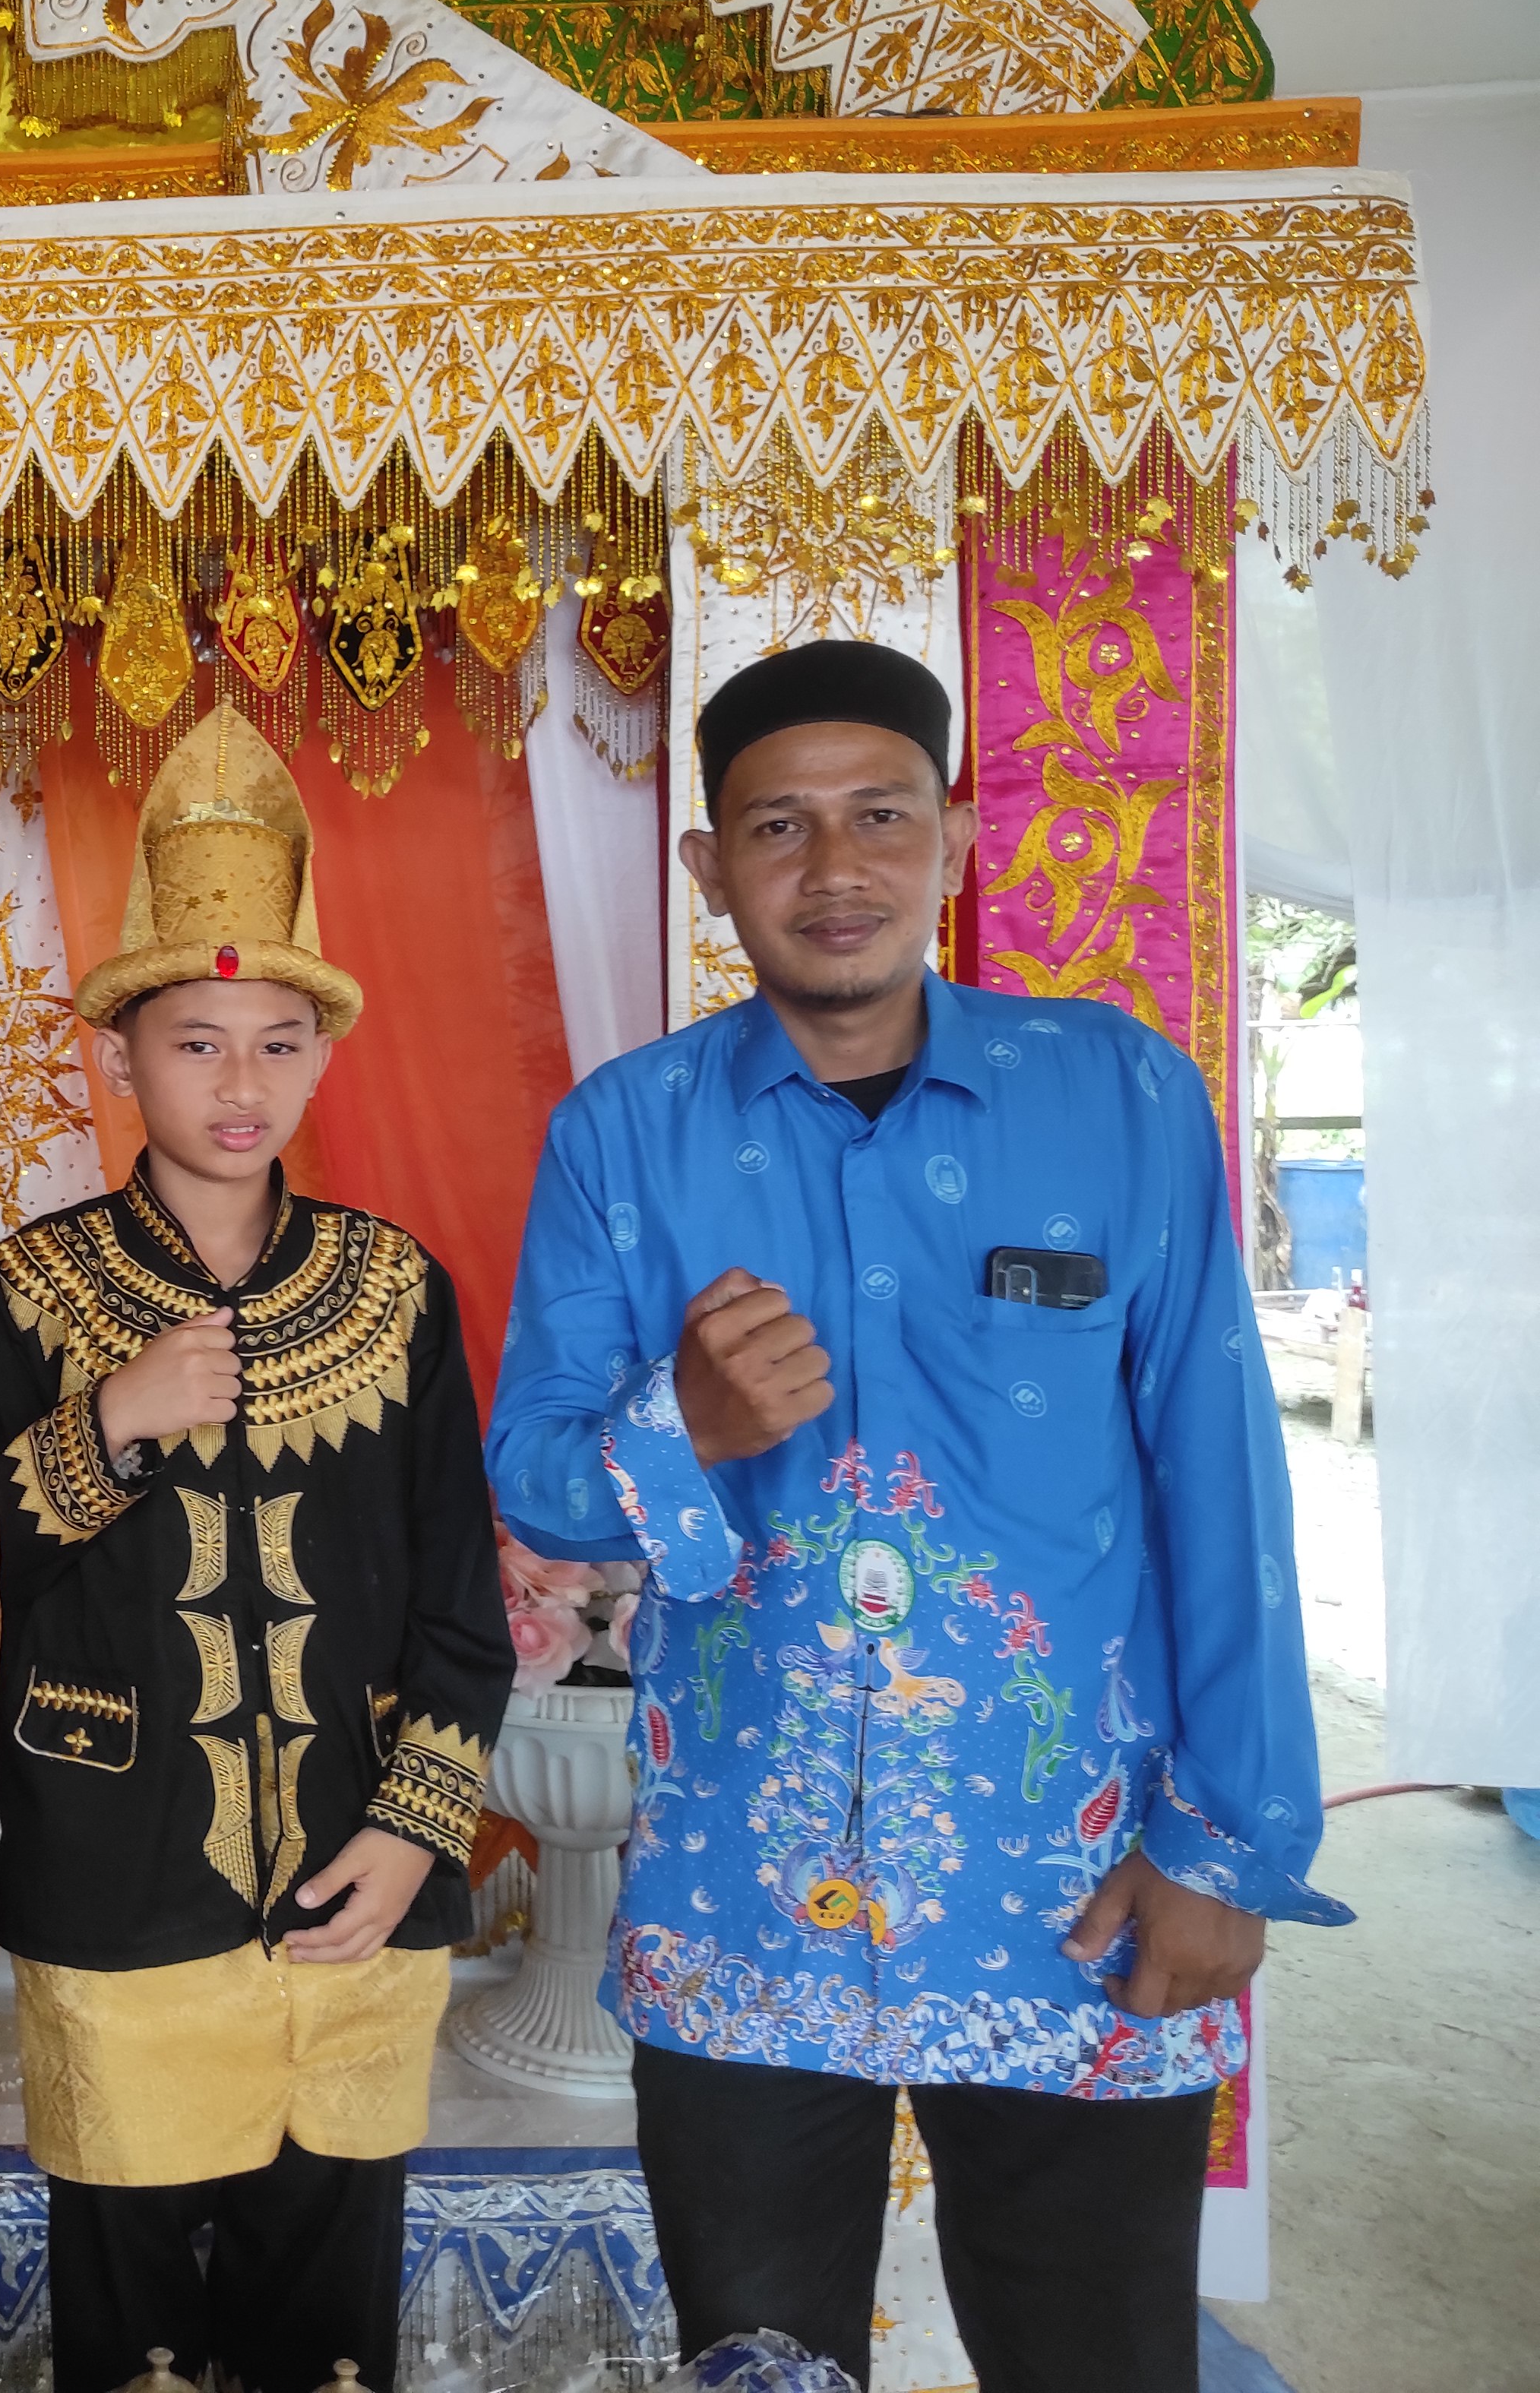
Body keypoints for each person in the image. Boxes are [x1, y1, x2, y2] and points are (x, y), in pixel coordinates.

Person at [487, 644, 1348, 2393]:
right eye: (776, 826)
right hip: (740, 1900)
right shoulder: (622, 1136)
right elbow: (535, 1478)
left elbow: (1220, 1476)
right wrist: (684, 1421)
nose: (833, 866)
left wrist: (1226, 1844)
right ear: (707, 865)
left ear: (953, 835)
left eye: (879, 815)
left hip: (1072, 1884)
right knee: (760, 2363)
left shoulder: (1115, 1093)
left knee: (1096, 2358)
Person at [0, 706, 513, 2393]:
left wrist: (418, 1834)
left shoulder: (395, 1287)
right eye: (197, 1042)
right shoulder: (33, 1285)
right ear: (122, 1056)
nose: (240, 1082)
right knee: (127, 2325)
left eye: (279, 1042)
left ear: (323, 1060)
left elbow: (459, 1601)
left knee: (326, 2330)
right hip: (109, 1864)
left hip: (359, 1869)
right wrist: (112, 1421)